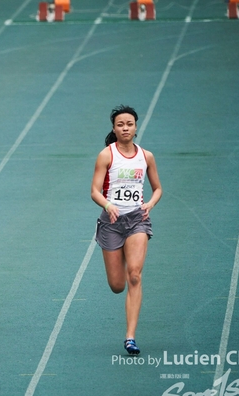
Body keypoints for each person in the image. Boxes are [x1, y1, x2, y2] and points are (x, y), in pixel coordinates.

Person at [90, 105, 162, 355]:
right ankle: (118, 252)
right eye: (120, 124)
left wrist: (150, 204)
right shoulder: (106, 155)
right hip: (111, 222)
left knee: (134, 275)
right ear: (114, 128)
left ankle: (130, 337)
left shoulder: (147, 156)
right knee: (117, 285)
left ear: (136, 127)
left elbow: (158, 188)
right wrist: (108, 204)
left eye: (129, 124)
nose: (125, 128)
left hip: (137, 220)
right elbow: (95, 191)